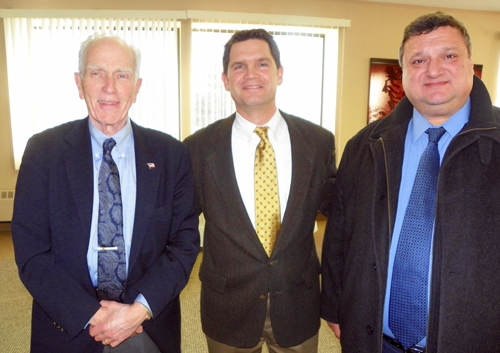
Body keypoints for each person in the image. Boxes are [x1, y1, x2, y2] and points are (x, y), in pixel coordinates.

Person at [321, 11, 500, 353]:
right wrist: (333, 306)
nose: (433, 70)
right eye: (418, 60)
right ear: (404, 72)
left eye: (448, 55)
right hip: (374, 340)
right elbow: (339, 237)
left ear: (470, 64)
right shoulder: (364, 146)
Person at [11, 34, 200, 353]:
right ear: (79, 82)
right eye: (97, 72)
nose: (109, 87)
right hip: (66, 325)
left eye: (122, 75)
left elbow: (183, 244)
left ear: (137, 87)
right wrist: (94, 316)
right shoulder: (44, 151)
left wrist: (136, 311)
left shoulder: (171, 154)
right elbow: (31, 251)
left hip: (147, 324)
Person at [184, 29, 336, 352]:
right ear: (225, 80)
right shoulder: (197, 148)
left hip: (298, 305)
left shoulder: (319, 142)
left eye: (262, 64)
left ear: (279, 74)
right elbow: (179, 229)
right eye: (239, 66)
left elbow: (340, 221)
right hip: (228, 309)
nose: (251, 74)